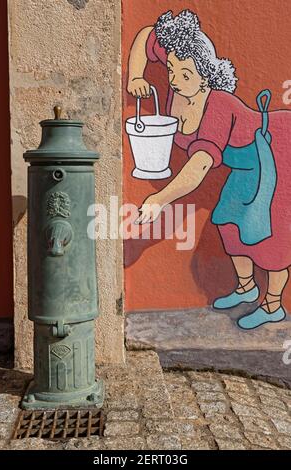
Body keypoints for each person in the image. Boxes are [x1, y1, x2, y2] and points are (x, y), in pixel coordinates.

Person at [127, 9, 291, 330]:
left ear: (206, 77)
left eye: (186, 74)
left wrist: (159, 199)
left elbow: (200, 165)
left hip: (273, 154)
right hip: (243, 166)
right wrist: (136, 75)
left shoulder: (216, 106)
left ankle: (272, 305)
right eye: (172, 69)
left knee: (270, 234)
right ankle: (246, 288)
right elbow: (148, 34)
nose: (175, 79)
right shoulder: (181, 75)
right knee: (228, 221)